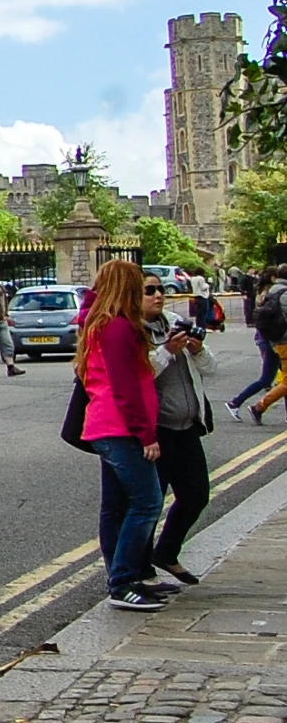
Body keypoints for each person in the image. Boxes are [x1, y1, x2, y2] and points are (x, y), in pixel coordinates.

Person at [77, 258, 171, 611]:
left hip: (109, 426)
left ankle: (127, 577)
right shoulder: (118, 328)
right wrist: (146, 434)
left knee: (116, 506)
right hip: (120, 428)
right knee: (148, 501)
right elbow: (125, 387)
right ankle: (122, 581)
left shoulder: (103, 324)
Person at [145, 278, 217, 588]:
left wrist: (197, 350)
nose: (158, 295)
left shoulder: (176, 322)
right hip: (156, 429)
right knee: (150, 502)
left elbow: (211, 369)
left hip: (188, 425)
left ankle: (166, 552)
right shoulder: (134, 331)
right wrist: (166, 352)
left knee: (196, 494)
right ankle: (140, 571)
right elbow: (139, 375)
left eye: (160, 289)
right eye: (149, 290)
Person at [230, 270, 287, 418]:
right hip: (281, 341)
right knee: (275, 380)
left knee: (273, 379)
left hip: (272, 340)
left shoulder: (270, 292)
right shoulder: (283, 293)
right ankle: (256, 407)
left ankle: (244, 404)